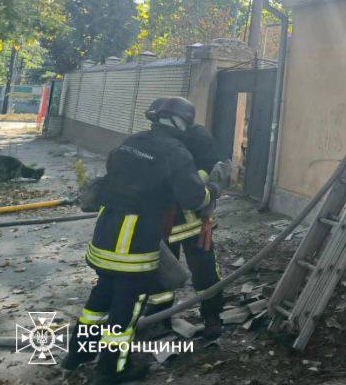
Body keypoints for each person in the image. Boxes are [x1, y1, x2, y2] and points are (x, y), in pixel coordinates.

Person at [64, 97, 216, 383]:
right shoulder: (175, 151)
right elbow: (193, 197)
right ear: (181, 122)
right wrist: (212, 191)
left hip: (106, 232)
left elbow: (118, 173)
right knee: (127, 306)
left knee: (101, 296)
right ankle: (112, 369)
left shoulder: (131, 141)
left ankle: (77, 353)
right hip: (134, 241)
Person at [145, 104, 226, 340]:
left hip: (191, 219)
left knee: (203, 272)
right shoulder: (164, 140)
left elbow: (207, 169)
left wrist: (194, 187)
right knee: (163, 273)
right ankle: (160, 320)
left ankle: (211, 318)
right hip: (170, 220)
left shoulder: (196, 137)